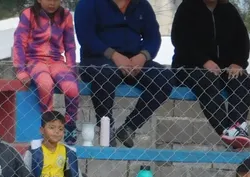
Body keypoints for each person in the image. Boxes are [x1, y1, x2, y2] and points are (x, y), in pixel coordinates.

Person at [74, 0, 175, 148]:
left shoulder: (141, 5)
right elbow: (86, 37)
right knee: (105, 73)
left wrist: (143, 56)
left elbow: (153, 37)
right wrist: (114, 55)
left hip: (133, 61)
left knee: (164, 79)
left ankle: (129, 127)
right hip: (98, 59)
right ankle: (106, 129)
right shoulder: (89, 3)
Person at [170, 0, 250, 150]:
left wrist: (238, 63)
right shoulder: (187, 7)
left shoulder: (229, 10)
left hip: (222, 68)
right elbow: (180, 40)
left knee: (242, 81)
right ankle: (226, 131)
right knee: (206, 81)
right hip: (190, 66)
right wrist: (203, 61)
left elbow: (242, 40)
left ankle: (237, 126)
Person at [13, 0, 80, 145]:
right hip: (35, 60)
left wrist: (71, 69)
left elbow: (70, 45)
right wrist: (20, 70)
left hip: (56, 60)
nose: (52, 3)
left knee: (72, 88)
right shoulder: (29, 14)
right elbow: (19, 43)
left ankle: (70, 123)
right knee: (45, 84)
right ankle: (49, 123)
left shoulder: (65, 16)